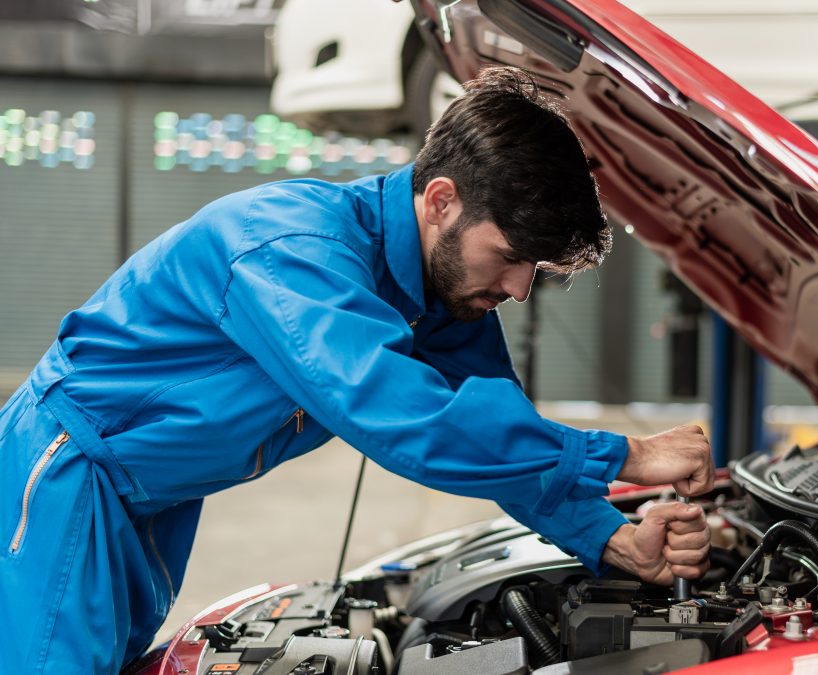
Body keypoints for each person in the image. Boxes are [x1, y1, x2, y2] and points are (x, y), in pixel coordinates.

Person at [0, 66, 713, 673]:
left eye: (538, 269)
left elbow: (490, 435)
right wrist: (629, 452)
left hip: (153, 497)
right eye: (510, 256)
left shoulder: (438, 295)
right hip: (71, 475)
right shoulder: (291, 251)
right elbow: (404, 413)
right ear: (441, 201)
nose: (521, 289)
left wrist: (610, 538)